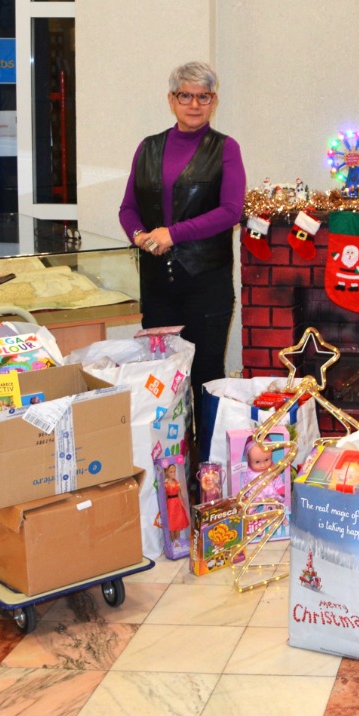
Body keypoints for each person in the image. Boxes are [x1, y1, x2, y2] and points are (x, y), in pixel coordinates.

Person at [118, 62, 245, 467]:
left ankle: (208, 470)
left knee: (205, 377)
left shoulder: (225, 148)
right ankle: (169, 472)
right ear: (171, 100)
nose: (194, 104)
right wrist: (139, 236)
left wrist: (173, 233)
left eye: (203, 96)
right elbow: (128, 208)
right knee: (162, 380)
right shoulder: (148, 147)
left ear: (214, 101)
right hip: (158, 287)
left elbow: (230, 211)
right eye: (185, 95)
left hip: (206, 284)